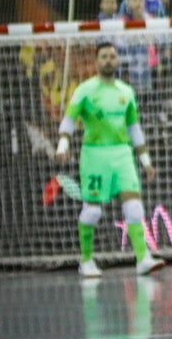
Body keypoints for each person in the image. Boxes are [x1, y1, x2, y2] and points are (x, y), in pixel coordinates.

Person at [54, 42, 165, 278]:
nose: (108, 60)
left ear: (117, 60)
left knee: (134, 206)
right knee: (92, 212)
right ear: (96, 61)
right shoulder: (85, 90)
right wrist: (63, 145)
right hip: (94, 155)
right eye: (104, 56)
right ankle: (86, 261)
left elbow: (134, 128)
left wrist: (145, 161)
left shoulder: (126, 91)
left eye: (112, 56)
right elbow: (70, 120)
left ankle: (143, 258)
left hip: (122, 154)